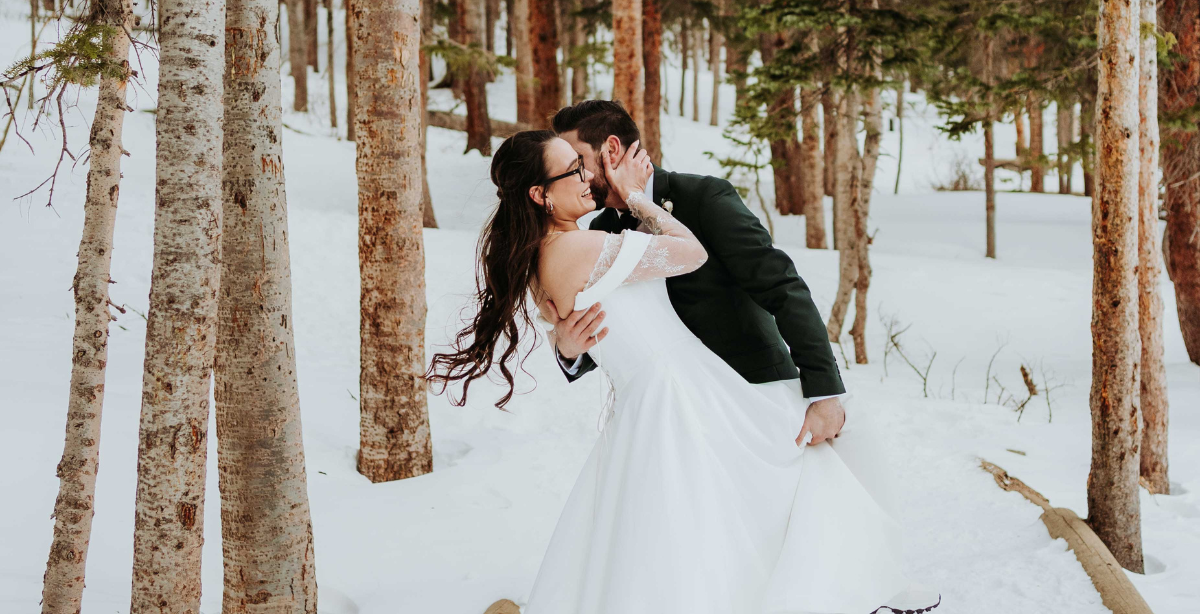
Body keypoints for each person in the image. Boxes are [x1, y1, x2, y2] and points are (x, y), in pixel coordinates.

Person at [426, 126, 940, 613]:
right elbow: (691, 254)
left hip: (689, 389)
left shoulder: (560, 246)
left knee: (716, 516)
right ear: (541, 195)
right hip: (677, 395)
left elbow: (779, 284)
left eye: (583, 166)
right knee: (732, 509)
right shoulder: (586, 242)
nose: (586, 179)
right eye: (573, 172)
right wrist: (639, 201)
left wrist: (566, 344)